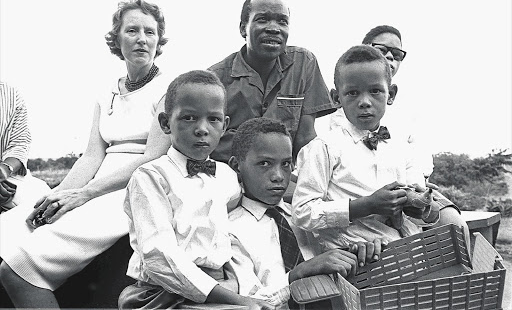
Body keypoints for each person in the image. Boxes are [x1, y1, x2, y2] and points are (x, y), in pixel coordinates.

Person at [0, 0, 174, 308]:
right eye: (131, 30)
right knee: (14, 226)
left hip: (133, 191)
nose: (142, 38)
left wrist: (85, 194)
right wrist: (59, 193)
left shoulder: (169, 90)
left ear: (159, 39)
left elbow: (152, 158)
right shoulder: (105, 91)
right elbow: (92, 157)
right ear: (117, 39)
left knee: (18, 265)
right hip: (93, 188)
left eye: (150, 31)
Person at [118, 70, 271, 310]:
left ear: (225, 125)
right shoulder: (150, 177)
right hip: (165, 292)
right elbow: (160, 256)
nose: (202, 129)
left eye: (213, 119)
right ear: (165, 123)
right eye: (189, 118)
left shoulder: (227, 177)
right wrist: (235, 299)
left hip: (222, 285)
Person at [292, 45, 443, 252]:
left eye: (375, 91)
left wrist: (422, 205)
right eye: (352, 93)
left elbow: (417, 212)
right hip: (351, 253)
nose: (364, 102)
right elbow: (302, 212)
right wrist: (365, 206)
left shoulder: (402, 147)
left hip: (402, 249)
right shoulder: (323, 148)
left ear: (391, 94)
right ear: (336, 98)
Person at [330, 25, 470, 246]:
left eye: (396, 54)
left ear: (391, 94)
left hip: (409, 191)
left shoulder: (406, 111)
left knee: (455, 226)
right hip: (363, 197)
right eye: (381, 49)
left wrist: (414, 189)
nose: (389, 56)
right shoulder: (345, 113)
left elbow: (420, 158)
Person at [227, 117, 385, 309]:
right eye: (264, 163)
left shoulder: (307, 217)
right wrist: (299, 273)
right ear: (237, 166)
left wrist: (355, 254)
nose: (278, 176)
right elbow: (248, 303)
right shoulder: (230, 231)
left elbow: (328, 262)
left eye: (285, 164)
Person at [208, 0, 336, 164]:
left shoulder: (303, 63)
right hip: (230, 174)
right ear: (242, 28)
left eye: (282, 21)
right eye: (262, 19)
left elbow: (305, 137)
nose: (274, 28)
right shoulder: (215, 79)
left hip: (283, 176)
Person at [0, 82, 51, 212]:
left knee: (42, 198)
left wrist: (4, 171)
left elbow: (19, 144)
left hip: (4, 175)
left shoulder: (10, 94)